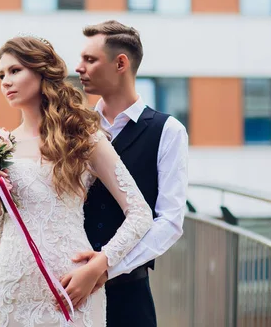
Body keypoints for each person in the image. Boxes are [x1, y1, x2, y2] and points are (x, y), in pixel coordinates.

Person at [0, 35, 154, 326]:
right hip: (12, 294)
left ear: (41, 72)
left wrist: (101, 263)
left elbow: (140, 213)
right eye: (1, 75)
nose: (5, 81)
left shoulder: (83, 138)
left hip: (72, 288)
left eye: (15, 71)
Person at [63, 20, 189, 327]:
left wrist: (106, 268)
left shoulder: (168, 131)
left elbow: (170, 221)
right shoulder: (70, 128)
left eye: (90, 60)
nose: (79, 68)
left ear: (121, 63)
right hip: (66, 288)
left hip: (129, 295)